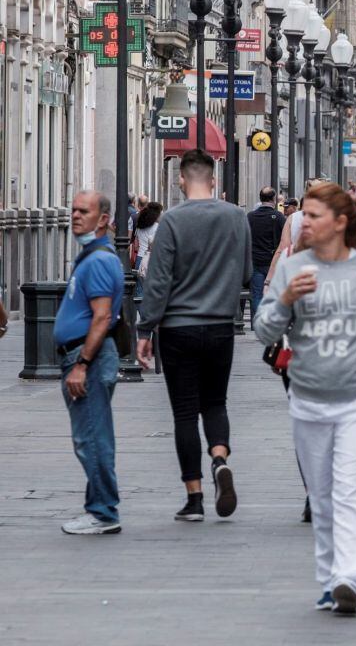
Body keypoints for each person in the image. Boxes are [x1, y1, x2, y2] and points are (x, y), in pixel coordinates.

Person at [255, 183, 356, 613]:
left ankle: (351, 575)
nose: (302, 222)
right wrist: (285, 300)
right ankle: (330, 577)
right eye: (303, 215)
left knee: (351, 488)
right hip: (308, 397)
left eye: (312, 216)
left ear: (340, 223)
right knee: (323, 495)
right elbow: (264, 331)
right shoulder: (293, 269)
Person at [136, 149, 252, 522]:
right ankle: (220, 457)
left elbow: (159, 280)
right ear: (214, 180)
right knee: (216, 402)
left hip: (178, 329)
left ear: (181, 180)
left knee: (185, 413)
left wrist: (144, 328)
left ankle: (195, 498)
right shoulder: (237, 217)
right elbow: (247, 270)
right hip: (220, 326)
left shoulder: (172, 221)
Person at [54, 191, 125, 535]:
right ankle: (97, 506)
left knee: (92, 437)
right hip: (82, 355)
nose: (75, 216)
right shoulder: (92, 256)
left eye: (84, 211)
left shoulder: (98, 261)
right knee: (91, 434)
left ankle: (103, 511)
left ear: (104, 219)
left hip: (88, 357)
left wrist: (82, 363)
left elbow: (102, 317)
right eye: (74, 210)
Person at [247, 187, 286, 326]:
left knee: (256, 294)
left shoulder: (250, 217)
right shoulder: (279, 217)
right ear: (274, 199)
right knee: (274, 294)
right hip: (273, 263)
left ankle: (258, 323)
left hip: (255, 261)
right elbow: (284, 240)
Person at [133, 201, 163, 297]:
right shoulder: (157, 227)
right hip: (152, 259)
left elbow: (136, 246)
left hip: (140, 258)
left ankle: (141, 311)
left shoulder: (139, 227)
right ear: (157, 214)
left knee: (140, 289)